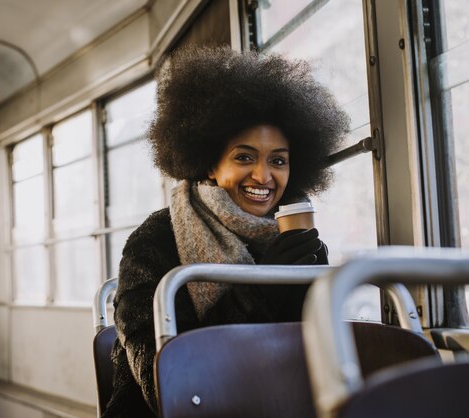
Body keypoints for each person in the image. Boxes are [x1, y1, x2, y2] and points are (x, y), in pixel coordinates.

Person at [101, 46, 350, 417]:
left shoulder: (292, 240)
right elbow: (168, 385)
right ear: (209, 165)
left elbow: (316, 359)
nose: (264, 177)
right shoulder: (153, 242)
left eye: (278, 160)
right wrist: (262, 288)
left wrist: (313, 284)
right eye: (244, 157)